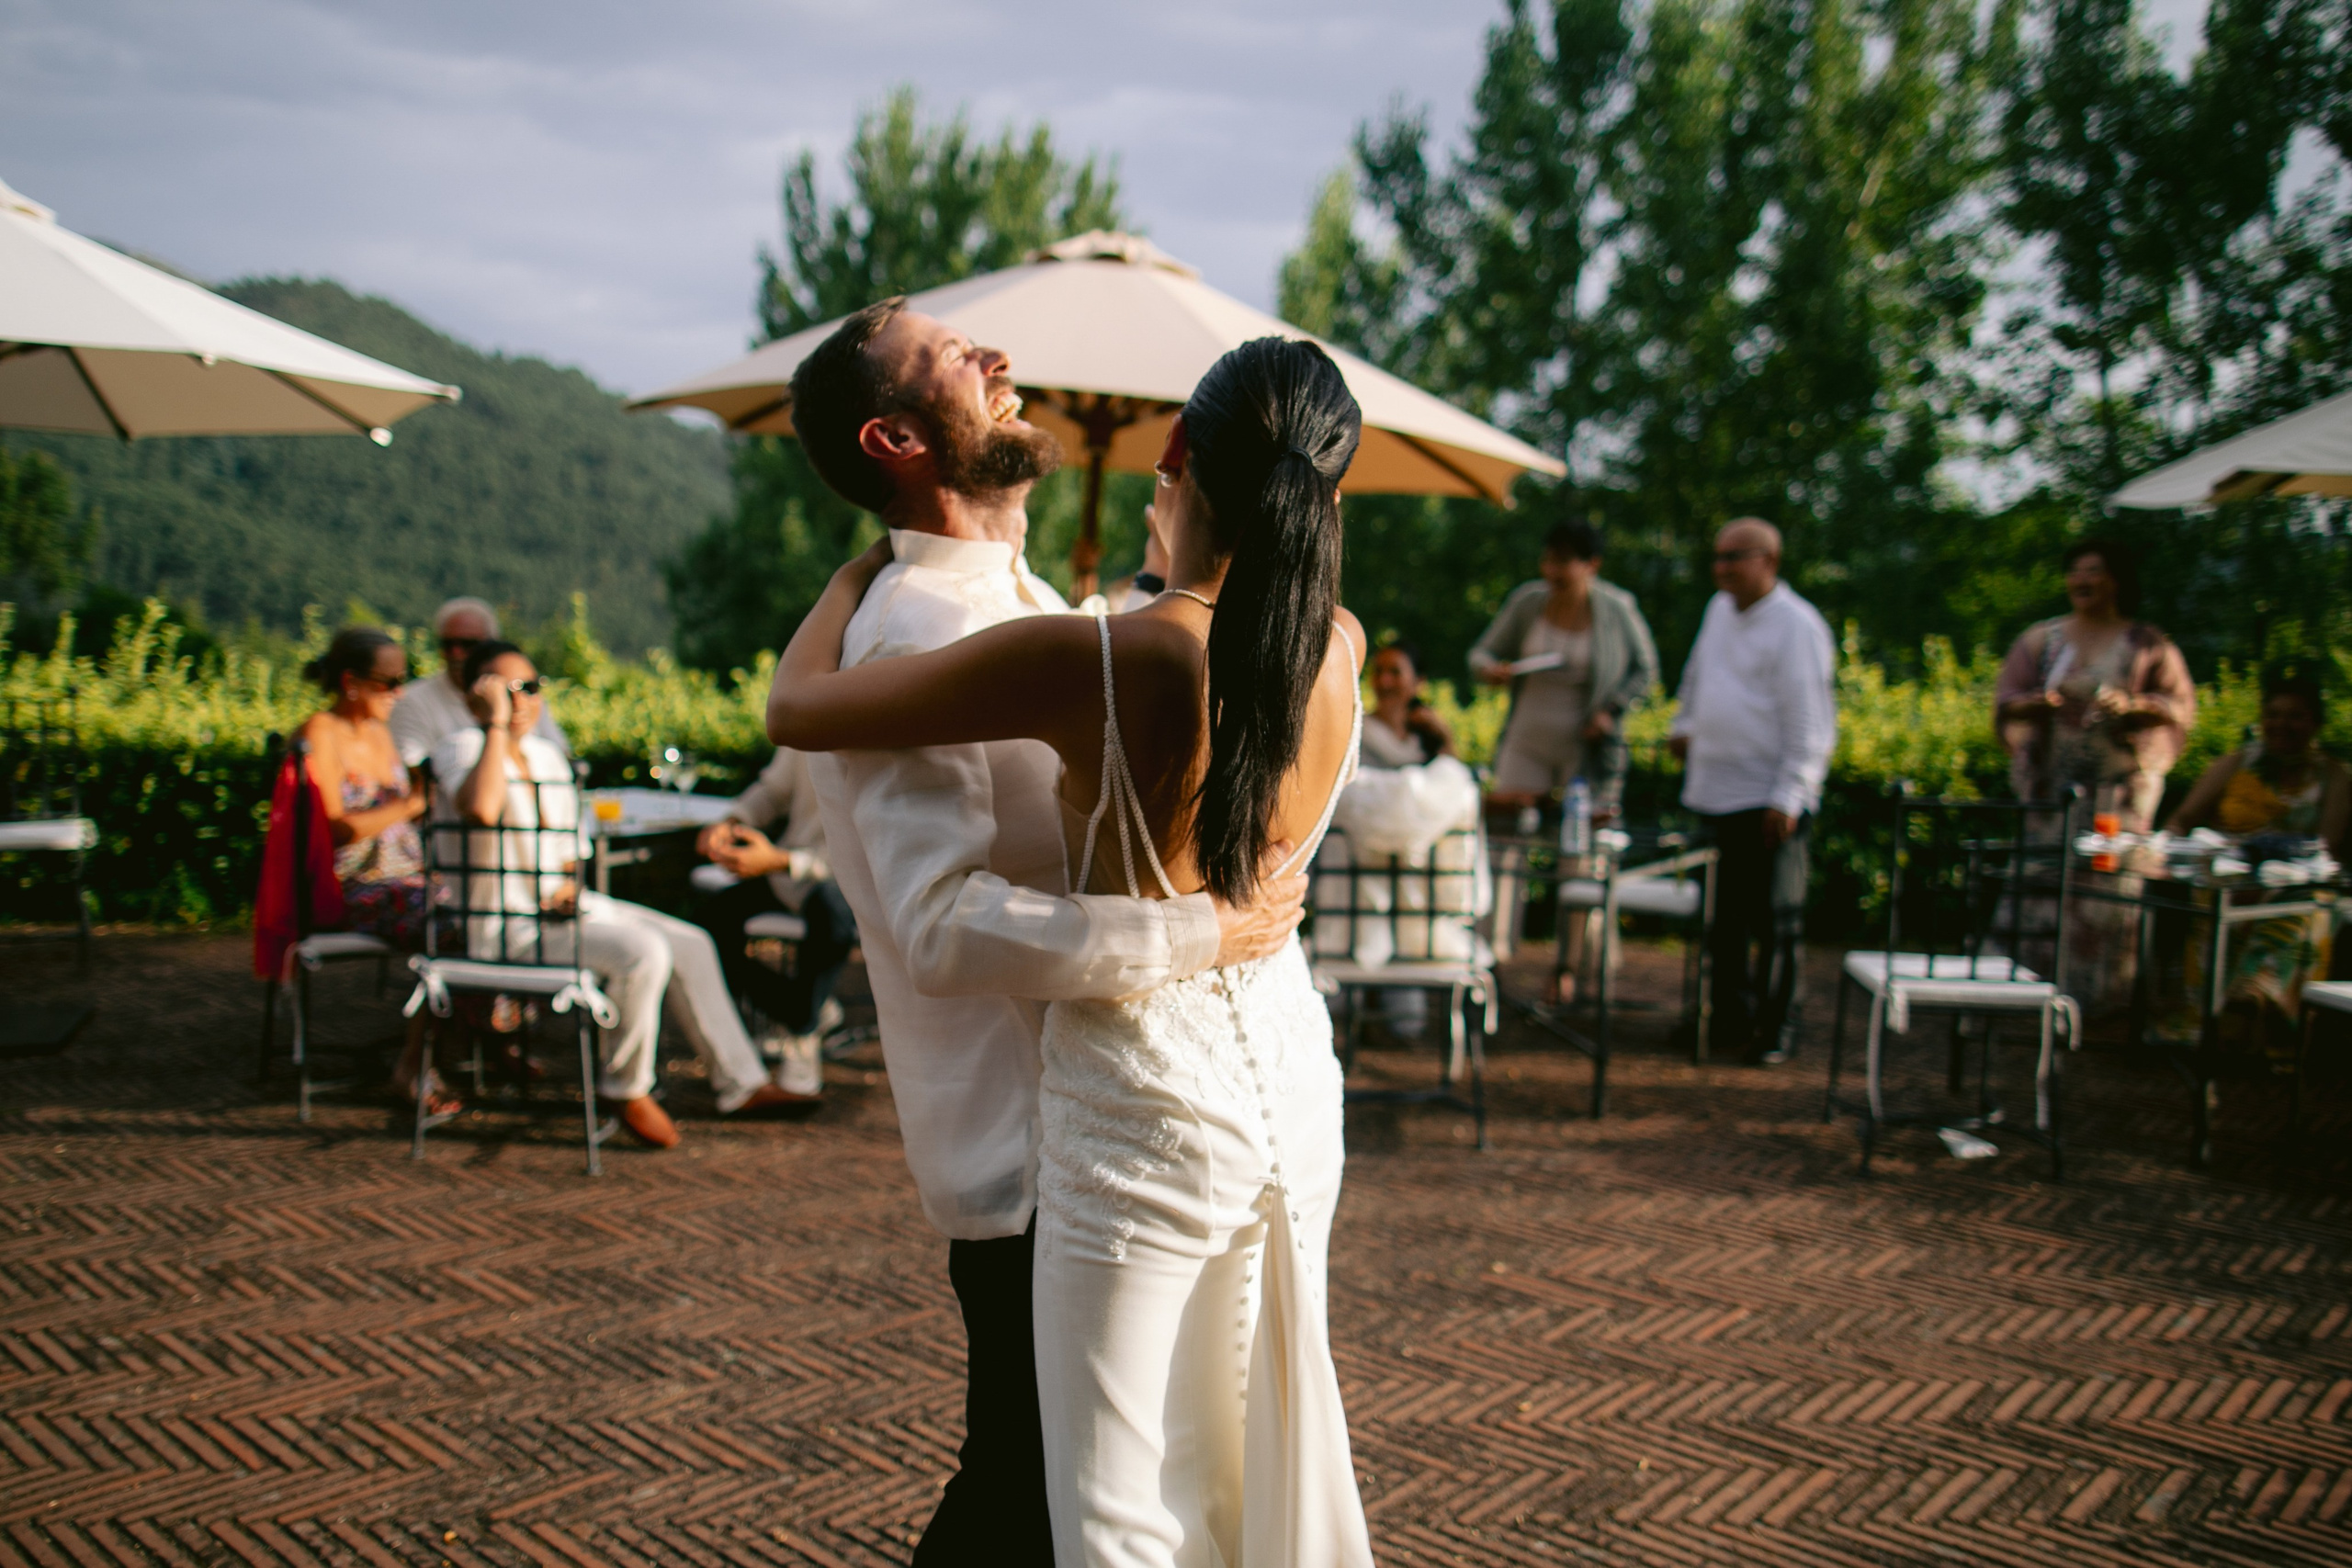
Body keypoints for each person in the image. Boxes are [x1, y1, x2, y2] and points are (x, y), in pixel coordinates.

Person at [774, 319, 1369, 1565]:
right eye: (949, 352)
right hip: (1040, 1149)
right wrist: (1201, 930)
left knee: (1107, 1489)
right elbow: (941, 926)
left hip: (1149, 1111)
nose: (994, 351)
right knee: (1046, 1500)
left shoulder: (1039, 610)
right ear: (895, 435)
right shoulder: (912, 625)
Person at [426, 640, 810, 1148]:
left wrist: (567, 885)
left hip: (561, 913)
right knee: (642, 952)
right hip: (502, 924)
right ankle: (625, 1087)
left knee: (691, 941)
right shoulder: (462, 748)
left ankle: (741, 1084)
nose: (520, 700)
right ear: (476, 694)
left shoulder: (548, 756)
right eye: (505, 688)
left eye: (530, 687)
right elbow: (480, 808)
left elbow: (569, 851)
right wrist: (494, 727)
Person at [1669, 518, 1837, 1065]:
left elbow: (1810, 720)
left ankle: (1777, 1025)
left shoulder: (1797, 626)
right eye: (1717, 558)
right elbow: (1698, 677)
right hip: (1713, 789)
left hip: (1767, 798)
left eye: (1733, 557)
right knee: (1723, 918)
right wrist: (1684, 724)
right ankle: (1727, 1015)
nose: (1721, 568)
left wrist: (1790, 794)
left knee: (1776, 918)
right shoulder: (1718, 611)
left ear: (1768, 559)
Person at [2165, 671, 2346, 1030]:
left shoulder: (2334, 776)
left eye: (2295, 715)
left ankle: (2255, 1001)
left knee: (2304, 910)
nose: (2282, 724)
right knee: (2210, 899)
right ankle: (2203, 1023)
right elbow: (2182, 819)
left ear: (2315, 723)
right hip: (2226, 875)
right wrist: (2170, 846)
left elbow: (2328, 847)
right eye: (2273, 714)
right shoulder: (2237, 763)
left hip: (2298, 883)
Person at [1995, 539, 2194, 829]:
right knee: (2047, 867)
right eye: (2074, 572)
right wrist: (2034, 705)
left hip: (2119, 793)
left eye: (2092, 571)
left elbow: (2179, 706)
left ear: (2115, 581)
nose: (2081, 580)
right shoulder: (2041, 639)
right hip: (2051, 792)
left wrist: (2131, 706)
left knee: (2109, 866)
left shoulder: (2146, 644)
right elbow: (2006, 702)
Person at [693, 746, 854, 1098]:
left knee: (833, 918)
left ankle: (802, 1030)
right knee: (707, 930)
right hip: (786, 871)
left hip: (851, 886)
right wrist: (732, 822)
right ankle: (807, 1010)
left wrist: (781, 860)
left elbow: (866, 857)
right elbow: (772, 791)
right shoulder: (808, 717)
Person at [1469, 520, 1658, 817]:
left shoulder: (1617, 609)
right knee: (1510, 827)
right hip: (1526, 740)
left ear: (1591, 564)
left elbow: (1645, 670)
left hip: (1583, 749)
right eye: (1547, 560)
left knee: (1579, 837)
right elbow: (1480, 653)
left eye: (1563, 562)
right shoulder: (1528, 601)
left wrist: (1612, 710)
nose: (1552, 571)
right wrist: (1490, 670)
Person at [297, 628, 429, 950]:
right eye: (389, 683)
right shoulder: (321, 732)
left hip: (406, 881)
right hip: (352, 889)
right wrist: (410, 805)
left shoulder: (378, 731)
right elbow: (333, 829)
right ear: (350, 682)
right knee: (457, 921)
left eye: (403, 680)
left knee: (486, 905)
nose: (399, 693)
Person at [390, 596, 571, 769]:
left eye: (468, 644)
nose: (456, 653)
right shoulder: (412, 700)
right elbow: (414, 770)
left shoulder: (525, 695)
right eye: (448, 644)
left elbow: (560, 752)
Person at [1361, 639, 1454, 769]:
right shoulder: (1359, 730)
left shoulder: (1427, 733)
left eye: (1395, 672)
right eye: (1378, 671)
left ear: (1418, 681)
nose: (1384, 681)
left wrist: (1445, 735)